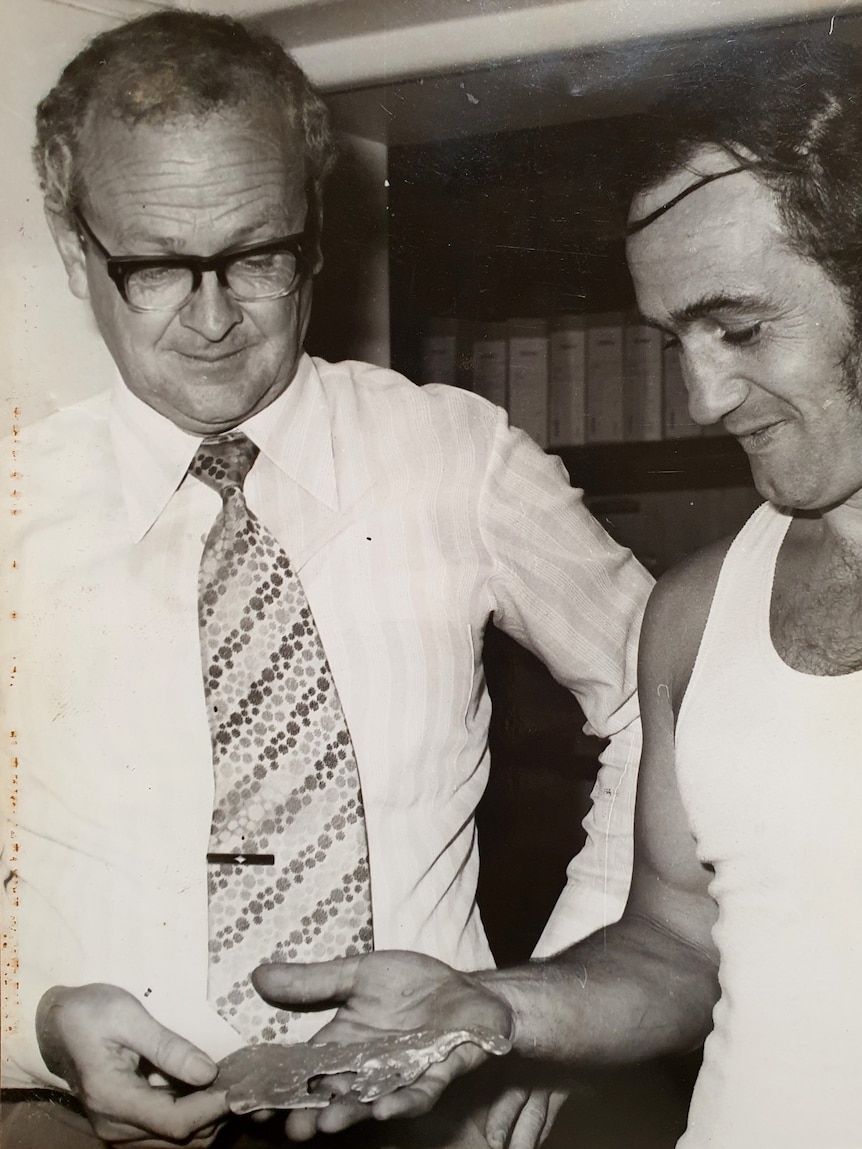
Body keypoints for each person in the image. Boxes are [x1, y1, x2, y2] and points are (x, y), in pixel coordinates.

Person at [0, 10, 653, 1148]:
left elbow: (676, 701)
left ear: (316, 236)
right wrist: (32, 1023)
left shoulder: (459, 455)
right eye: (155, 266)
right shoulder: (14, 504)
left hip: (430, 1121)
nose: (211, 322)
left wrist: (547, 1006)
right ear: (74, 254)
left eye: (257, 257)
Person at [256, 35, 862, 1149]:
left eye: (738, 326)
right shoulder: (691, 615)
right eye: (674, 339)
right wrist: (495, 1008)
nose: (701, 394)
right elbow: (677, 946)